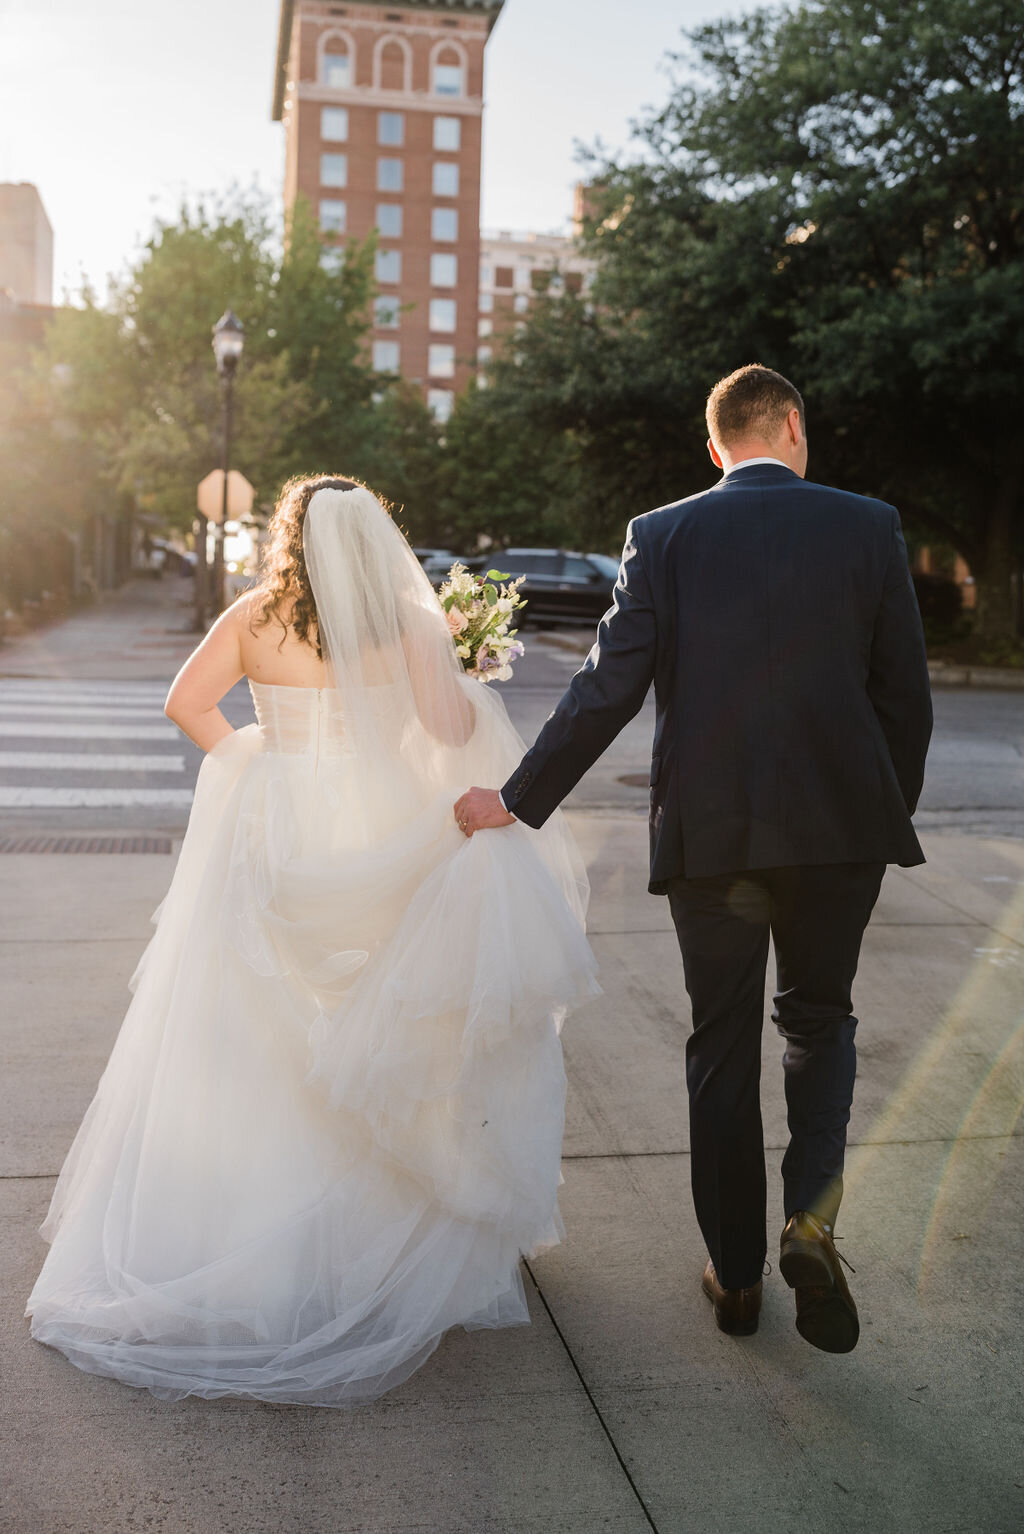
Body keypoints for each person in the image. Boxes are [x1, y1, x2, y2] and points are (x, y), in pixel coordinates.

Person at [26, 476, 598, 1406]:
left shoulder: (256, 616)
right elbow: (451, 728)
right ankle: (373, 1233)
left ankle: (247, 1239)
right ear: (374, 540)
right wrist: (461, 662)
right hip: (379, 827)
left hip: (281, 828)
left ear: (289, 535)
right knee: (381, 1020)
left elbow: (187, 702)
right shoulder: (407, 625)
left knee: (256, 1030)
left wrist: (251, 757)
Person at [455, 365, 933, 1354]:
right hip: (839, 835)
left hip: (712, 837)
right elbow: (905, 700)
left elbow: (605, 690)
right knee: (820, 1023)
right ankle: (810, 1219)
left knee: (721, 1050)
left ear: (715, 449)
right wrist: (879, 818)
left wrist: (513, 797)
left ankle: (739, 1274)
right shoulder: (868, 525)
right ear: (793, 426)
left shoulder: (662, 534)